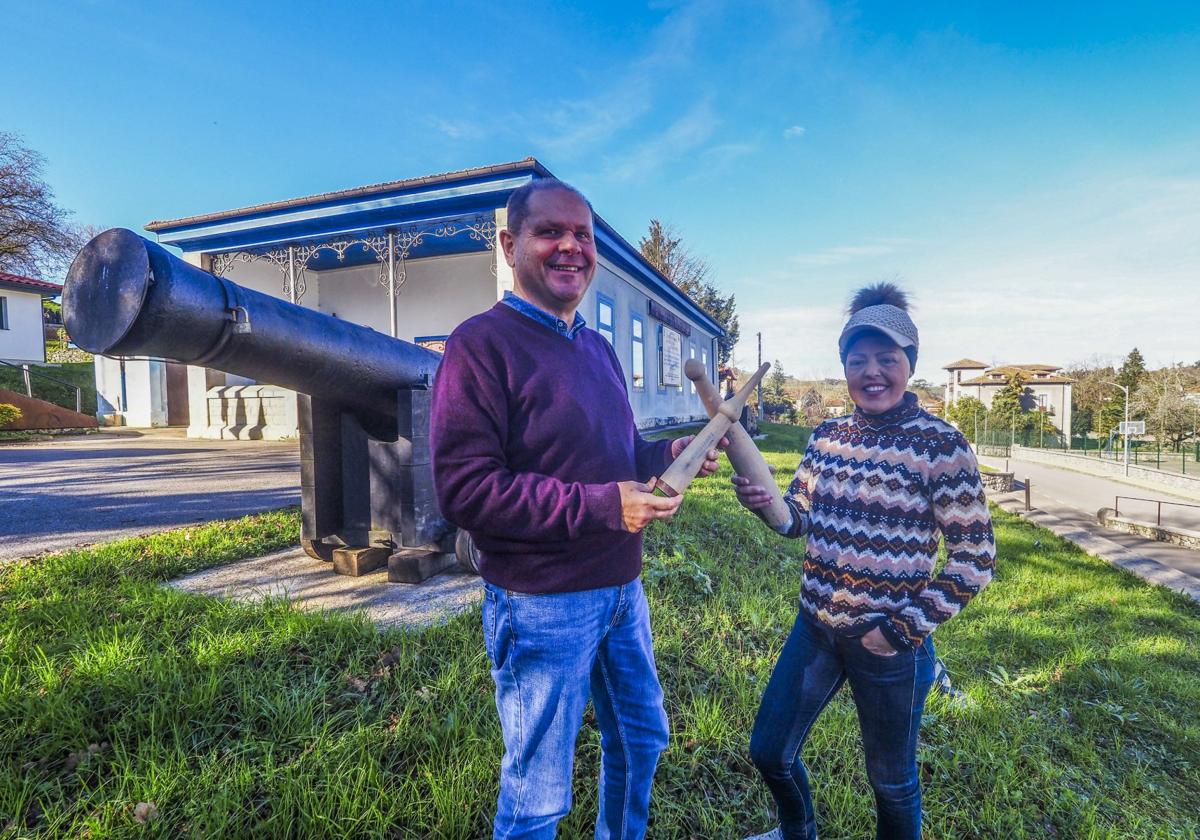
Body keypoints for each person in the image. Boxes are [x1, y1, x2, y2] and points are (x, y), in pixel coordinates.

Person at [430, 178, 722, 839]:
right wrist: (598, 508)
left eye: (583, 235)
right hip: (542, 604)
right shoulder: (480, 345)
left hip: (622, 590)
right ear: (510, 245)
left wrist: (667, 454)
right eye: (550, 232)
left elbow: (618, 457)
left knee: (643, 739)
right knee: (539, 797)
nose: (571, 247)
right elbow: (465, 489)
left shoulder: (598, 349)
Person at [734, 283, 996, 840]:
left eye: (886, 359)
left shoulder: (940, 445)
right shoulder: (827, 436)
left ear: (909, 365)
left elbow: (975, 558)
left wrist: (899, 632)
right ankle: (796, 832)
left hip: (890, 645)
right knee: (769, 752)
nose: (871, 372)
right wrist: (769, 507)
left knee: (892, 783)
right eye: (858, 360)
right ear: (845, 368)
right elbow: (798, 517)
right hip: (816, 629)